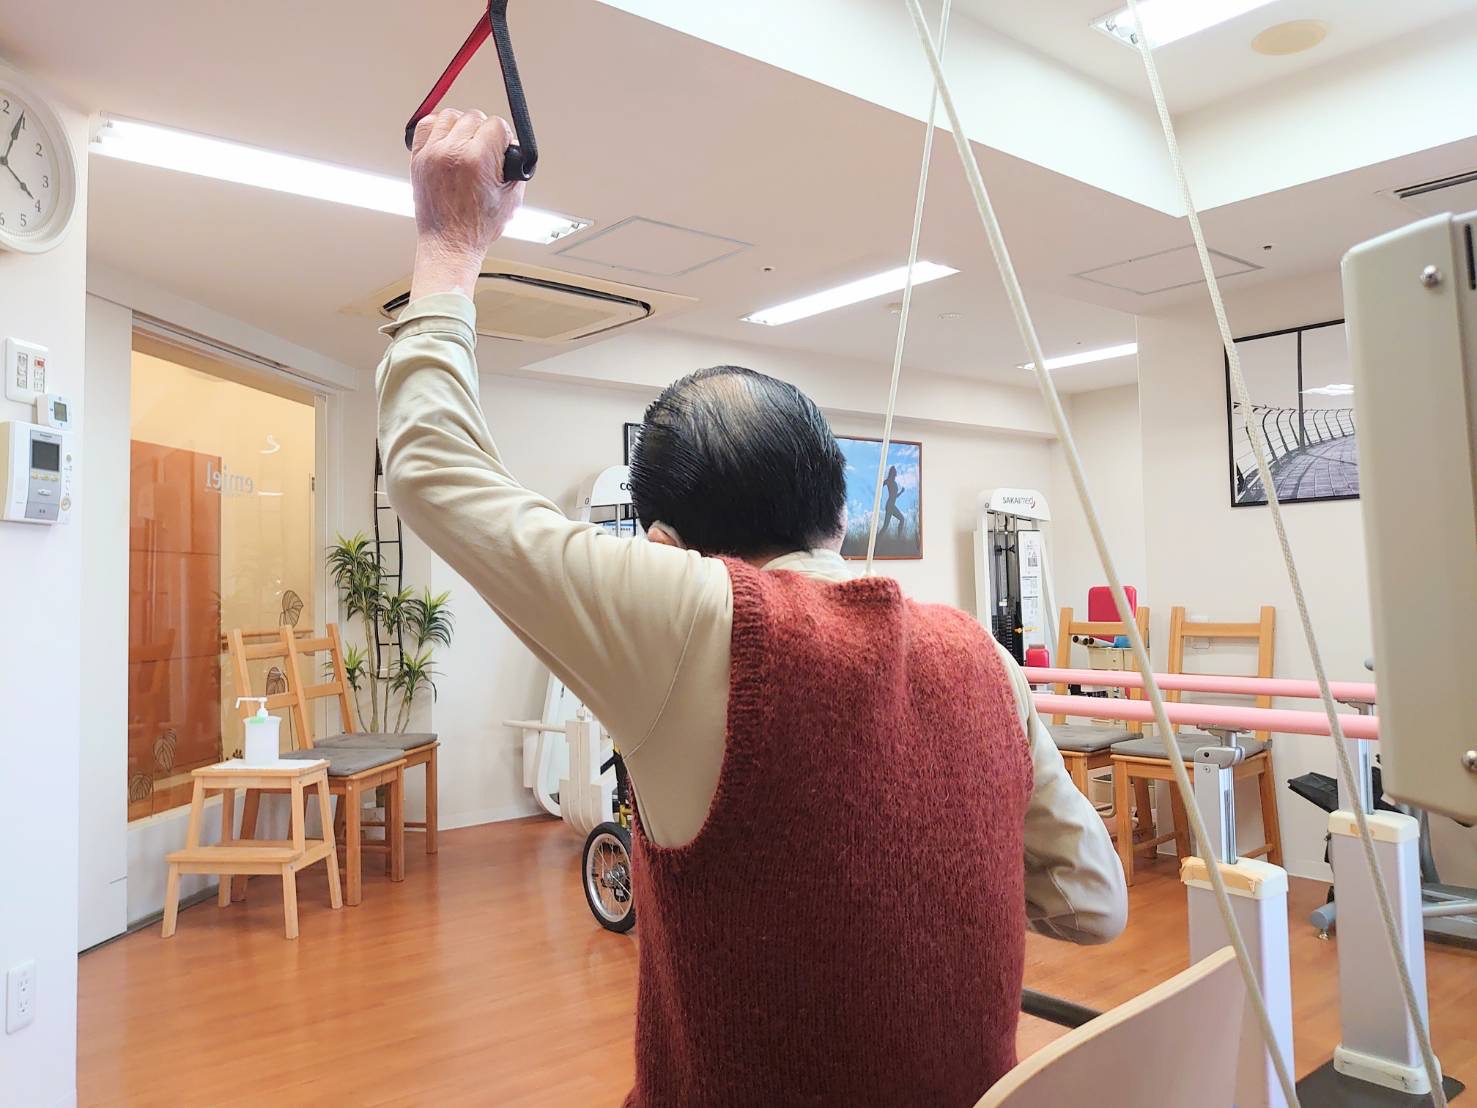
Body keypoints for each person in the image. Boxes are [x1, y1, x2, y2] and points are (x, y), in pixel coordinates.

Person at [379, 108, 1127, 1108]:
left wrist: (448, 244)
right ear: (837, 510)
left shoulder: (698, 617)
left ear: (662, 547)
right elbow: (1093, 904)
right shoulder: (979, 655)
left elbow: (430, 468)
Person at [883, 462, 907, 537]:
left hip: (891, 505)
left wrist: (901, 492)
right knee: (886, 526)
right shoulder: (889, 481)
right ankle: (898, 538)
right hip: (890, 505)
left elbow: (895, 496)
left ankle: (898, 538)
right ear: (892, 473)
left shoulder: (894, 483)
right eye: (895, 472)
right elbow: (882, 483)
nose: (896, 474)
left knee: (886, 526)